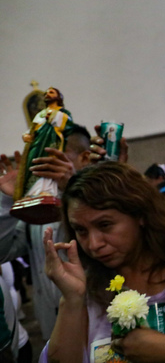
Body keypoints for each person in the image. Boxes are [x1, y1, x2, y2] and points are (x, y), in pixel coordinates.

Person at [40, 162, 165, 363]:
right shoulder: (84, 288)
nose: (94, 244)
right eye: (81, 230)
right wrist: (71, 300)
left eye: (105, 225)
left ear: (140, 215)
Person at [0, 125, 92, 340]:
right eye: (38, 155)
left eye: (54, 155)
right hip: (52, 327)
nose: (43, 163)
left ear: (84, 158)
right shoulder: (36, 206)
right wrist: (7, 202)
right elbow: (3, 252)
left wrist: (72, 188)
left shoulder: (105, 195)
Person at [13, 87, 74, 201]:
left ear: (58, 97)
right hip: (36, 146)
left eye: (51, 92)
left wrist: (54, 117)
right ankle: (32, 192)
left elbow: (68, 125)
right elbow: (34, 129)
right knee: (33, 167)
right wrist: (27, 135)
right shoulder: (39, 114)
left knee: (48, 166)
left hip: (52, 142)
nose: (47, 95)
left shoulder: (63, 112)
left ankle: (47, 190)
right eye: (46, 93)